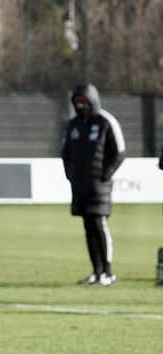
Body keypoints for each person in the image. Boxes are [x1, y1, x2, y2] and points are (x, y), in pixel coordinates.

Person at [60, 83, 126, 286]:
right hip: (80, 187)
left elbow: (119, 152)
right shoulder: (73, 125)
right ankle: (96, 272)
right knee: (88, 228)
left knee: (99, 226)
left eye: (84, 102)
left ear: (93, 100)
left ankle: (108, 272)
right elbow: (65, 153)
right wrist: (70, 175)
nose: (81, 106)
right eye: (77, 102)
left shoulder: (106, 121)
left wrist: (104, 175)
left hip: (99, 188)